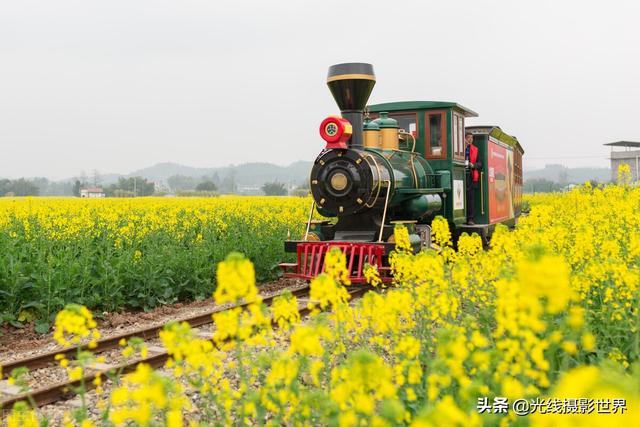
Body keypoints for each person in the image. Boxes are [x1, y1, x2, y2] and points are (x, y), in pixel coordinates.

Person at [465, 132, 481, 224]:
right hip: (461, 174)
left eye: (471, 138)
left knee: (470, 198)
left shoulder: (475, 149)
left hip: (471, 176)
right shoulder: (459, 148)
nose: (470, 139)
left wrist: (473, 165)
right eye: (468, 137)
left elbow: (480, 164)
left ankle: (470, 219)